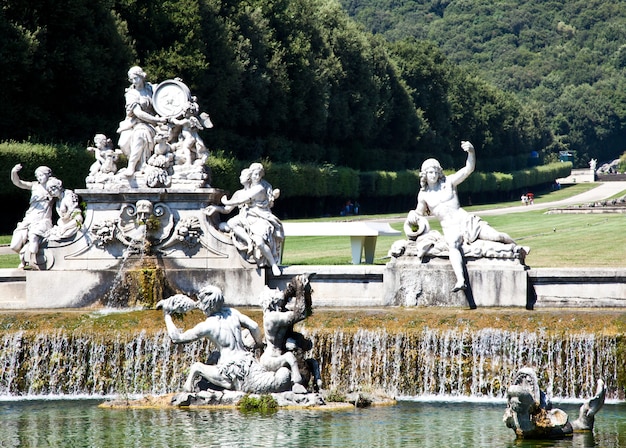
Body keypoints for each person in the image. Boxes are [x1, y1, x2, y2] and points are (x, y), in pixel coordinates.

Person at [414, 141, 516, 292]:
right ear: (424, 174)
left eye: (436, 172)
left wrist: (471, 152)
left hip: (466, 220)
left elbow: (468, 169)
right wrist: (412, 216)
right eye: (430, 172)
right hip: (449, 227)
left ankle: (517, 250)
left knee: (498, 236)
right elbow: (418, 213)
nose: (434, 175)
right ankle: (461, 280)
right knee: (453, 245)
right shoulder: (423, 195)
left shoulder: (449, 182)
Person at [158, 285, 263, 391]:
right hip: (247, 361)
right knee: (215, 355)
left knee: (196, 367)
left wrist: (167, 315)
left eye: (201, 301)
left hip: (230, 369)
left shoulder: (207, 326)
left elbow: (177, 338)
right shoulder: (232, 313)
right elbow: (254, 326)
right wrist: (259, 344)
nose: (199, 304)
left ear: (206, 304)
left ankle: (188, 390)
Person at [220, 163, 284, 276]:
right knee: (231, 223)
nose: (256, 176)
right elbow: (228, 209)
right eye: (255, 174)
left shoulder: (259, 188)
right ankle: (249, 241)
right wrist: (215, 208)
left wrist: (226, 201)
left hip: (260, 217)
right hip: (248, 216)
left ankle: (273, 264)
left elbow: (241, 201)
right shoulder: (249, 187)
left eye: (259, 174)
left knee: (259, 242)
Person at [116, 66, 166, 177]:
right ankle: (133, 166)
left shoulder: (150, 89)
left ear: (142, 76)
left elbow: (165, 93)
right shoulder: (131, 94)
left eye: (136, 78)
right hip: (136, 123)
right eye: (131, 79)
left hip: (152, 125)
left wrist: (174, 84)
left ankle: (137, 166)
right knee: (140, 133)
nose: (134, 81)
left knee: (142, 133)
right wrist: (157, 120)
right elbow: (138, 113)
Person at [10, 164, 54, 269]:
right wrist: (14, 172)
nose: (39, 178)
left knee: (33, 239)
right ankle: (24, 252)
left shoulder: (52, 187)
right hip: (29, 218)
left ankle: (30, 261)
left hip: (42, 220)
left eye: (41, 175)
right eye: (37, 176)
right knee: (14, 245)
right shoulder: (34, 186)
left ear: (48, 175)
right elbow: (18, 183)